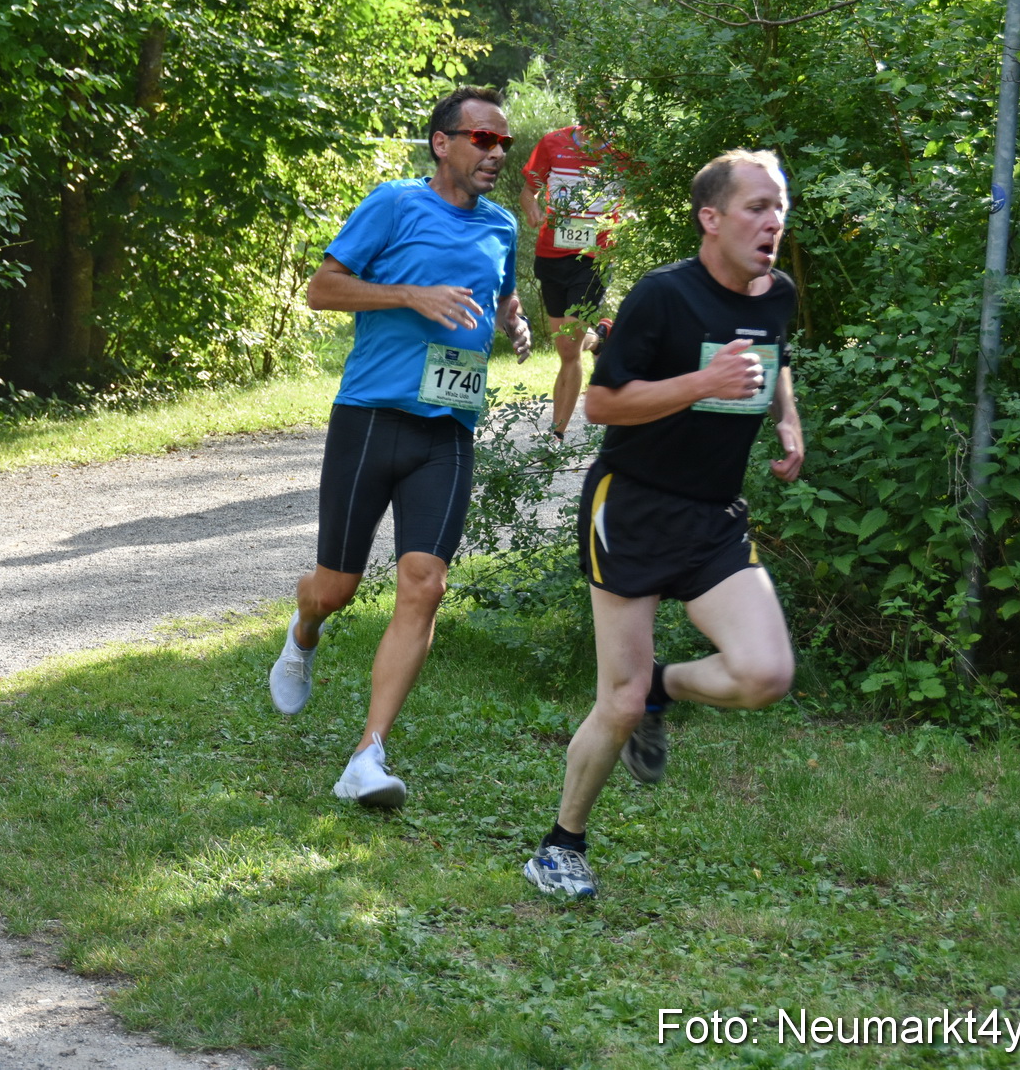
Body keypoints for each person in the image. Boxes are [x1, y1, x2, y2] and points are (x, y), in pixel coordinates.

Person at [522, 149, 805, 897]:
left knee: (766, 674)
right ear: (711, 218)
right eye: (757, 207)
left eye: (779, 208)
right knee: (614, 701)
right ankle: (559, 847)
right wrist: (702, 383)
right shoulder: (662, 296)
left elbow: (773, 355)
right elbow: (602, 404)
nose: (773, 222)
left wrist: (787, 419)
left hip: (714, 514)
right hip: (633, 506)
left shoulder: (776, 293)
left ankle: (662, 688)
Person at [267, 86, 533, 808]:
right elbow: (323, 289)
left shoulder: (502, 225)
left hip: (448, 428)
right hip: (371, 416)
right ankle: (305, 627)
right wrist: (411, 294)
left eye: (503, 143)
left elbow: (499, 295)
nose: (496, 153)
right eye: (483, 138)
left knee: (425, 582)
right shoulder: (393, 203)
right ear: (442, 142)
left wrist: (512, 322)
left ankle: (368, 753)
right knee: (337, 588)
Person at [519, 122, 627, 442]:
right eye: (591, 104)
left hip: (594, 258)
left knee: (568, 348)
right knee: (565, 343)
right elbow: (528, 192)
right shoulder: (553, 143)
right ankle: (600, 339)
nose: (599, 113)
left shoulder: (624, 149)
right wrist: (532, 209)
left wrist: (630, 221)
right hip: (551, 256)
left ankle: (557, 435)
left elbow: (649, 189)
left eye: (606, 106)